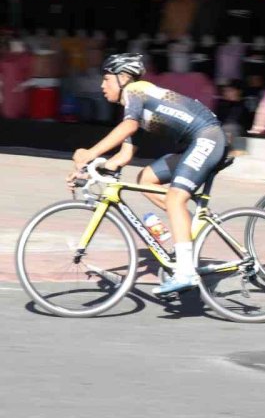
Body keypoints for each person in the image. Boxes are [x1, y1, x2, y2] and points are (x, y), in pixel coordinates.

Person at [68, 53, 227, 294]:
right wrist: (88, 171)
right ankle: (185, 227)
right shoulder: (137, 109)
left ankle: (185, 272)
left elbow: (128, 127)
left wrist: (90, 152)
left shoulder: (136, 91)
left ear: (123, 78)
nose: (102, 85)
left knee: (175, 198)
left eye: (107, 79)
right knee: (146, 179)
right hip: (195, 143)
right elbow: (123, 157)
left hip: (208, 137)